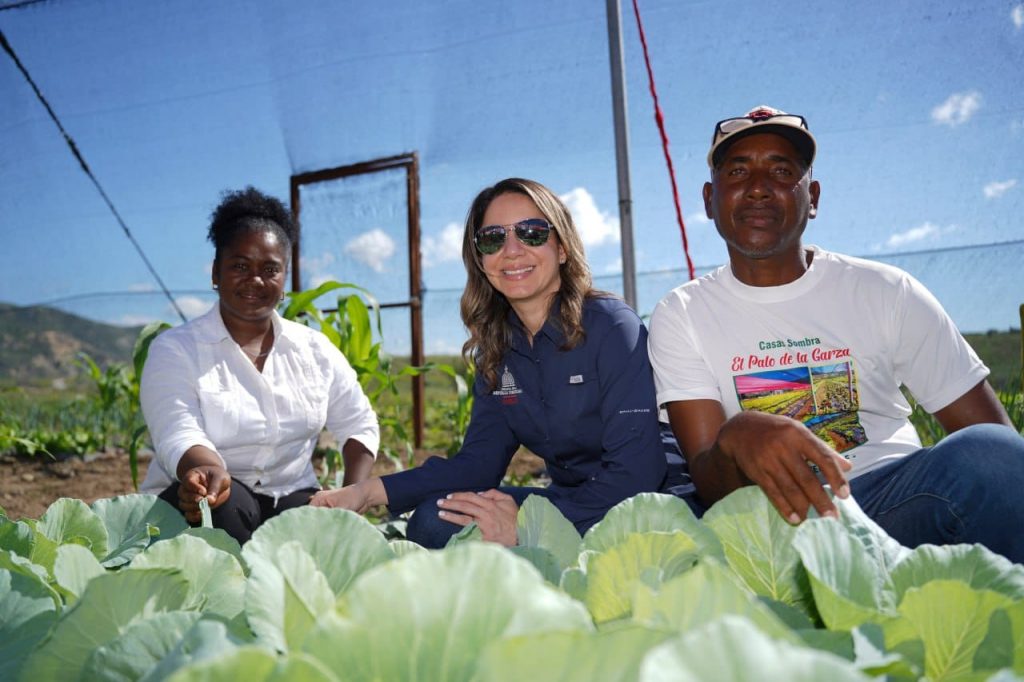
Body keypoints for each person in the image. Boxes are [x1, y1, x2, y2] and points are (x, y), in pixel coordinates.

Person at [648, 106, 1024, 564]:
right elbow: (709, 482)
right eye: (738, 171)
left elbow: (995, 446)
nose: (759, 187)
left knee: (987, 452)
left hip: (893, 504)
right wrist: (735, 438)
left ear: (813, 197)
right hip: (778, 527)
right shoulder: (682, 312)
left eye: (782, 171)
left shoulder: (886, 290)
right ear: (710, 200)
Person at [311, 177, 669, 547]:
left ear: (562, 248)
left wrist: (531, 528)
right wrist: (366, 492)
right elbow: (478, 464)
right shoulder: (497, 350)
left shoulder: (610, 325)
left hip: (636, 504)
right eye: (493, 239)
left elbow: (638, 471)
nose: (511, 251)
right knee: (436, 520)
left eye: (532, 232)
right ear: (481, 260)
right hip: (566, 498)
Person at [139, 186, 379, 543]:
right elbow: (178, 431)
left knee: (317, 528)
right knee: (225, 510)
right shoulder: (176, 349)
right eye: (240, 266)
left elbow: (358, 423)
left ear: (284, 279)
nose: (255, 279)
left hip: (290, 496)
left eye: (270, 269)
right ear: (215, 273)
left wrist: (352, 496)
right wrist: (206, 471)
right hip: (209, 498)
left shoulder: (315, 350)